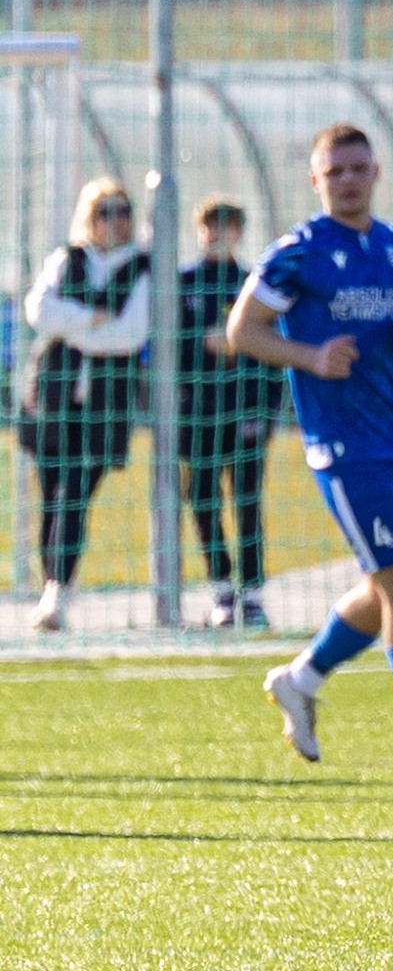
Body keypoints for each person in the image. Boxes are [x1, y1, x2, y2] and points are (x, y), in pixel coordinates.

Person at [228, 123, 393, 769]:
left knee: (388, 589)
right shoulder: (299, 252)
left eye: (357, 168)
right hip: (344, 447)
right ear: (315, 181)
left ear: (375, 173)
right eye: (334, 171)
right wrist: (311, 355)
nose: (347, 179)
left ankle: (301, 680)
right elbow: (243, 329)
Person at [20, 177, 151, 633]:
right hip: (52, 400)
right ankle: (55, 585)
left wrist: (70, 325)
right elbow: (38, 311)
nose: (114, 220)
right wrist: (91, 320)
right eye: (104, 211)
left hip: (104, 405)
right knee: (52, 497)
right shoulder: (68, 259)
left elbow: (130, 334)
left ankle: (57, 591)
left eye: (122, 210)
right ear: (88, 217)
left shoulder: (143, 267)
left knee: (75, 491)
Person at [179, 194, 286, 630]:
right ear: (199, 230)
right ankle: (221, 591)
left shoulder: (252, 282)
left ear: (239, 232)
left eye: (227, 225)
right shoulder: (182, 283)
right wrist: (202, 343)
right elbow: (165, 348)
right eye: (210, 225)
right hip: (197, 413)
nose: (217, 233)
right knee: (203, 500)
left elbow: (273, 354)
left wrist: (266, 413)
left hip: (245, 411)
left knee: (247, 500)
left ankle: (254, 594)